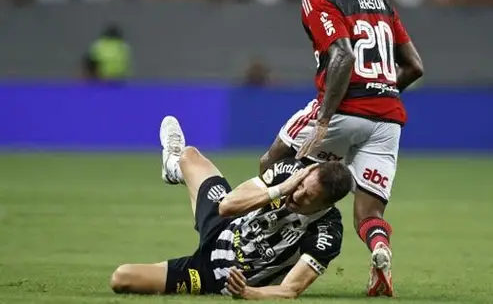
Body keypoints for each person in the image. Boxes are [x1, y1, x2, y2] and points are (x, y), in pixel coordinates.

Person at [259, 0, 424, 297]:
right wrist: (379, 89)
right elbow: (415, 67)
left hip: (343, 108)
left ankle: (270, 257)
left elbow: (344, 55)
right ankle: (380, 250)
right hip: (388, 118)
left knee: (272, 163)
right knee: (368, 214)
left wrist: (323, 121)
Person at [110, 116, 353, 299]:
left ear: (327, 204)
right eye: (301, 185)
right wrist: (281, 188)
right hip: (222, 225)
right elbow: (227, 206)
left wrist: (249, 293)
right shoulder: (288, 172)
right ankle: (172, 167)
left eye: (309, 197)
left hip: (211, 275)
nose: (298, 194)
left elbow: (290, 289)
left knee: (122, 278)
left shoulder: (327, 233)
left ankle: (176, 168)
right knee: (189, 156)